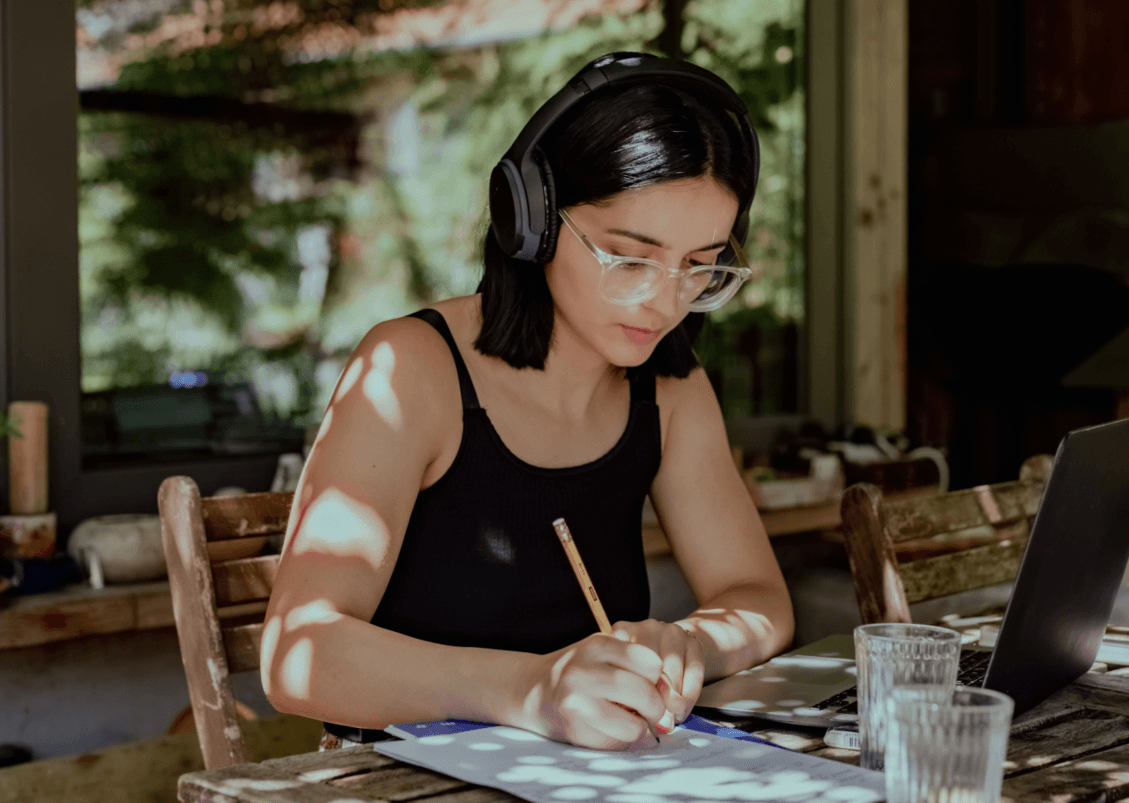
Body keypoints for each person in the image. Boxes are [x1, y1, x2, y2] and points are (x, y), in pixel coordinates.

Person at [261, 52, 794, 752]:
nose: (665, 301)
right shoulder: (409, 369)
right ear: (533, 219)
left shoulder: (671, 389)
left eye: (700, 265)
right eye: (630, 258)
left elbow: (757, 597)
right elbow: (297, 656)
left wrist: (687, 645)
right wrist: (533, 689)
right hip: (402, 779)